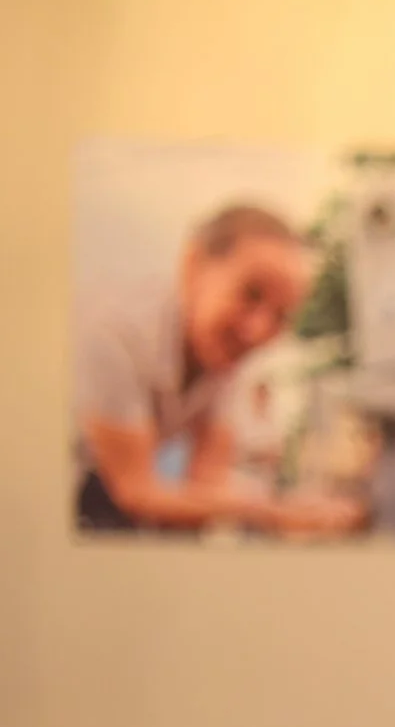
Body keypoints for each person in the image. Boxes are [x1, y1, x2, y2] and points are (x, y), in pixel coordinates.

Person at [75, 203, 365, 536]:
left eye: (282, 315)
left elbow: (206, 485)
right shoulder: (116, 333)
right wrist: (274, 512)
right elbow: (136, 492)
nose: (256, 330)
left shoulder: (227, 360)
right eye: (250, 293)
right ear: (193, 265)